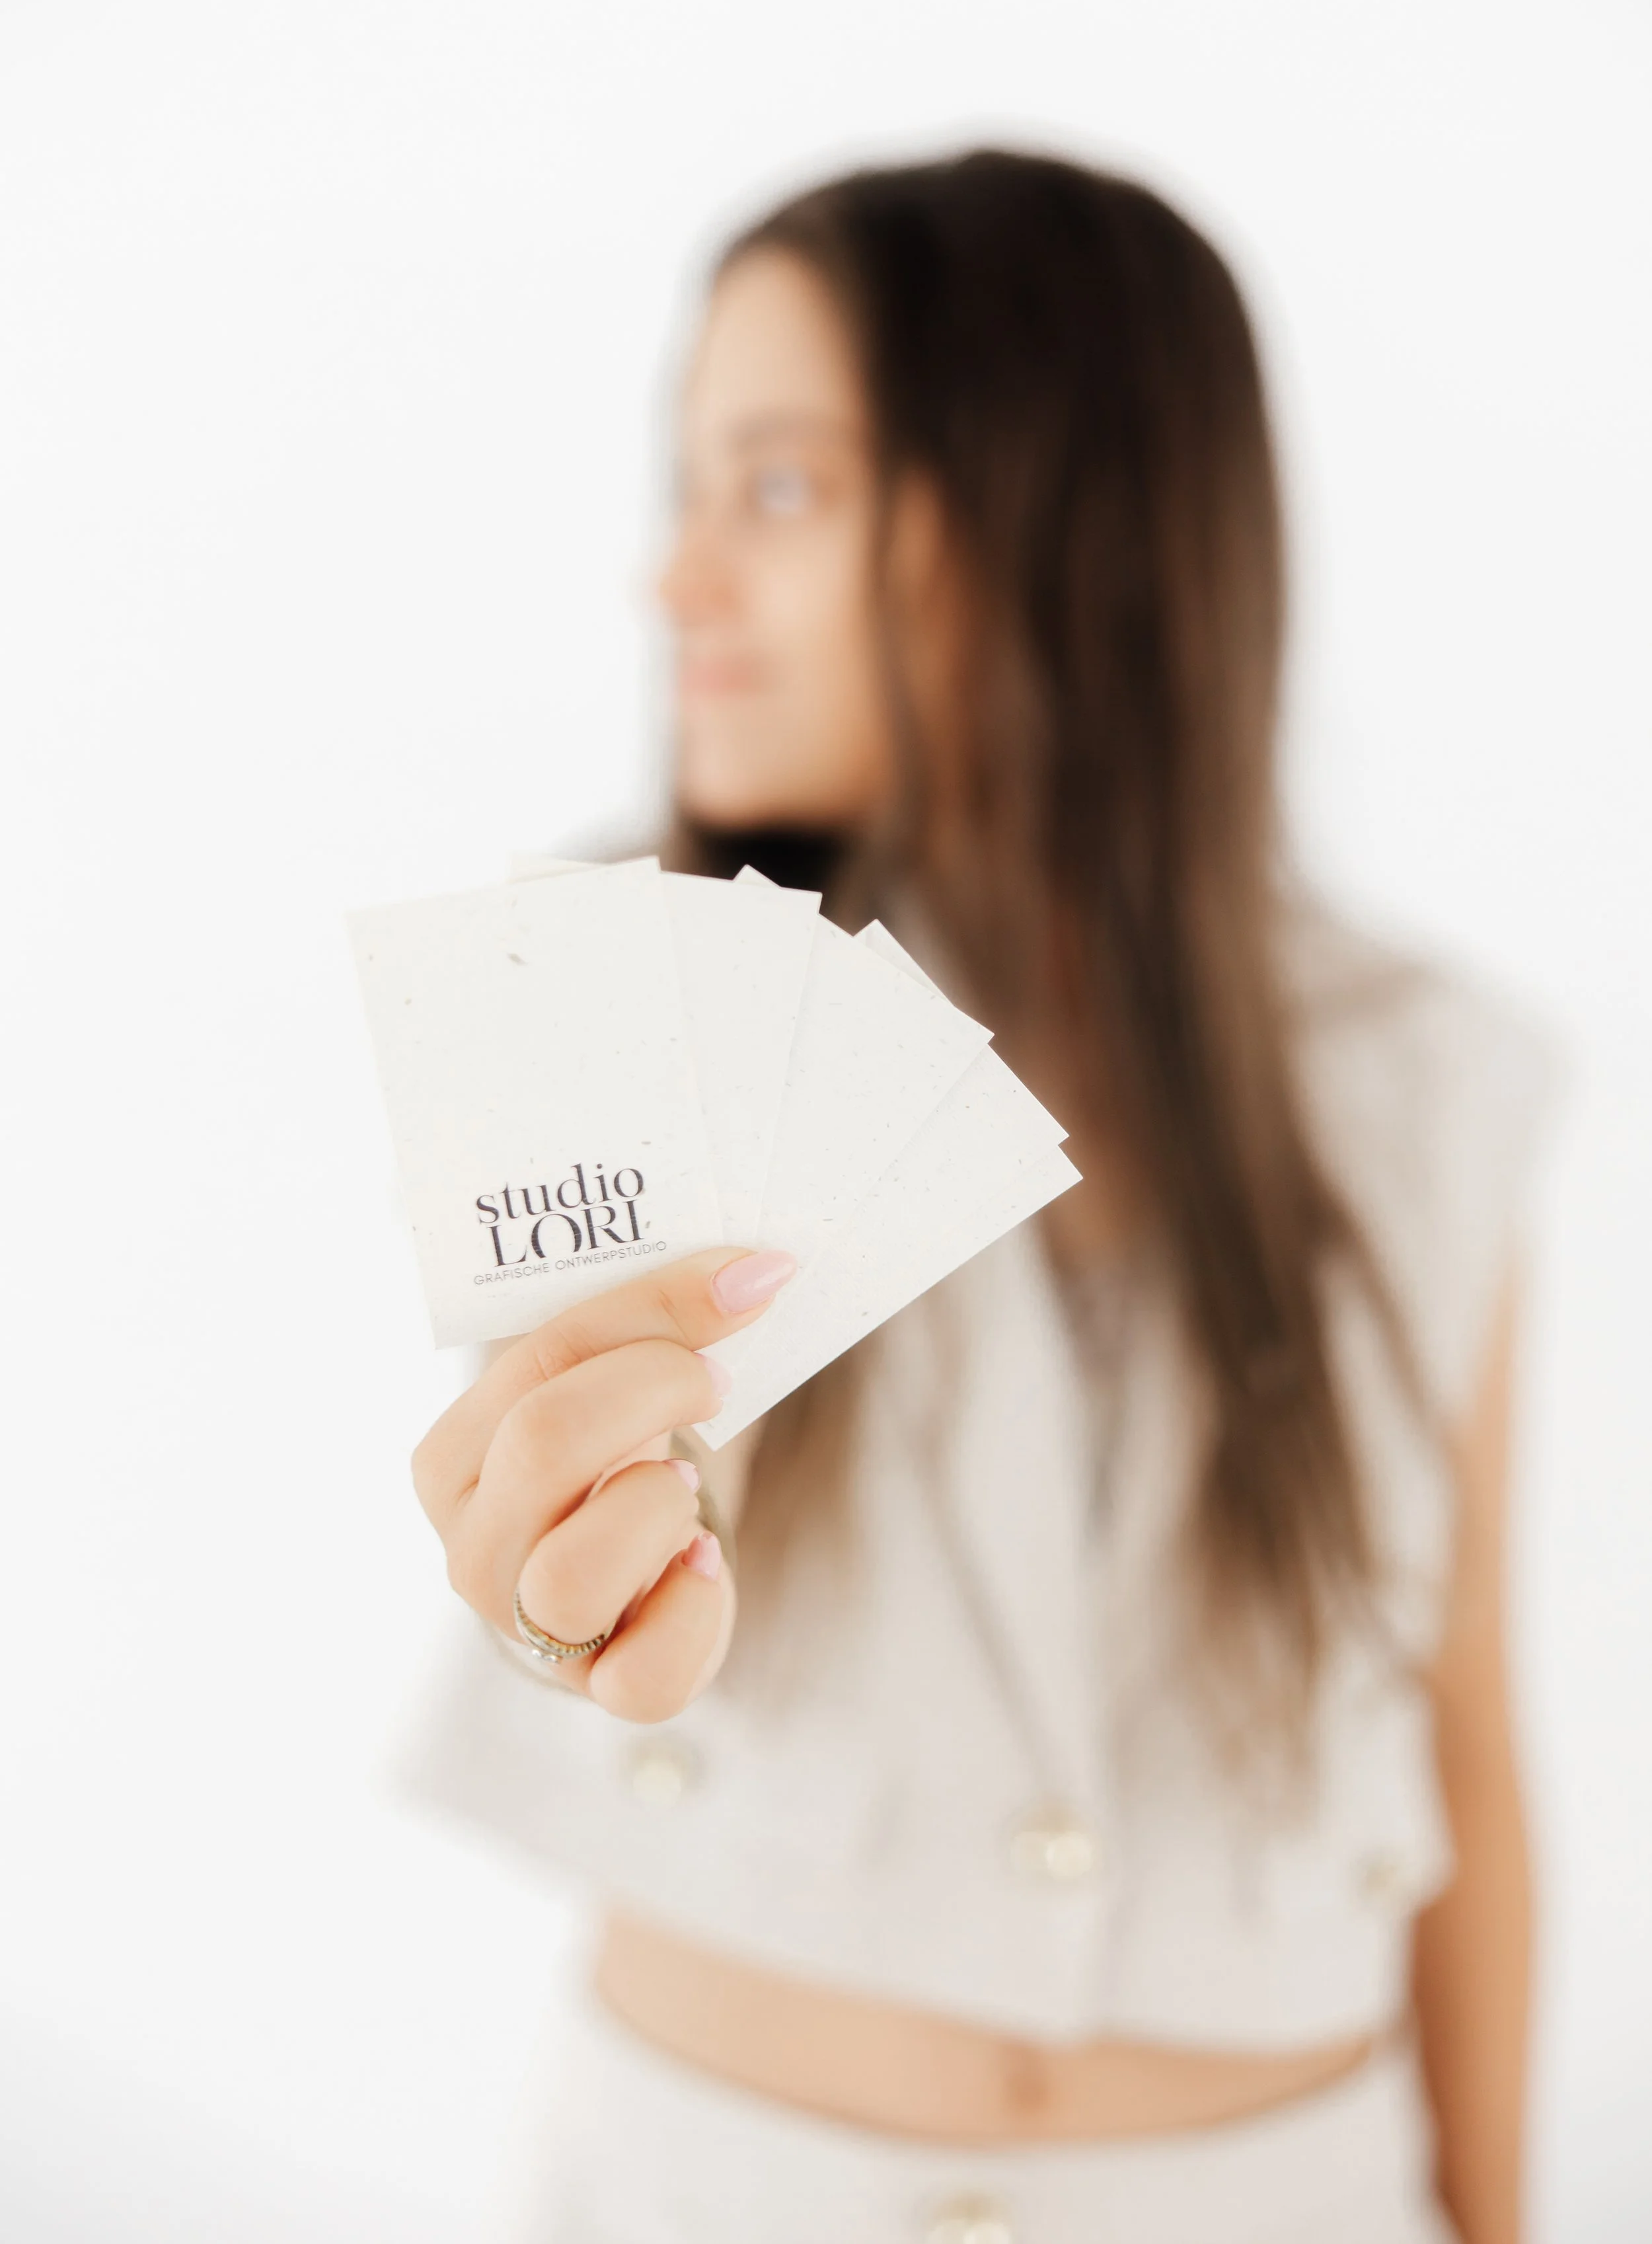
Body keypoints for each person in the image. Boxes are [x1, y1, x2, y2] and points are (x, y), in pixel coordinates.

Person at [400, 151, 1555, 2243]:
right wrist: (555, 1585)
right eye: (685, 486)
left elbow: (1463, 1734)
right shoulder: (613, 1001)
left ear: (1057, 525)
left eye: (771, 488)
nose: (672, 584)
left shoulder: (1431, 1084)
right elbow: (554, 1497)